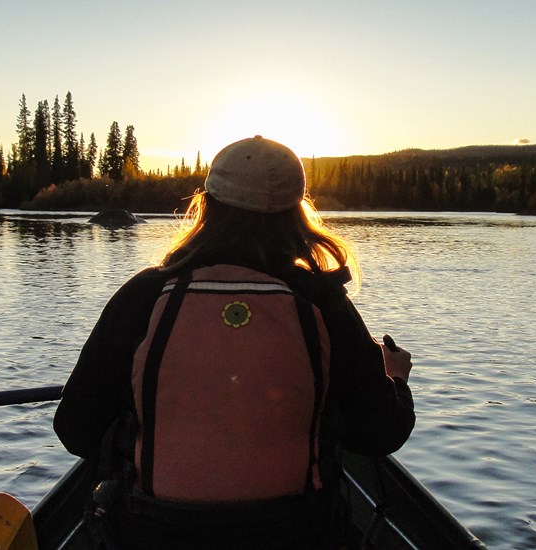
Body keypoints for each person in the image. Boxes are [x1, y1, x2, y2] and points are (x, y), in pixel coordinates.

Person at [54, 136, 415, 549]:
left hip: (155, 534)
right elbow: (379, 435)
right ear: (297, 213)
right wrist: (396, 380)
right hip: (294, 535)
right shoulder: (324, 302)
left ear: (206, 205)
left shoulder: (143, 296)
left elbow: (76, 431)